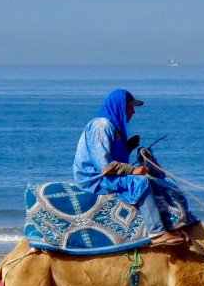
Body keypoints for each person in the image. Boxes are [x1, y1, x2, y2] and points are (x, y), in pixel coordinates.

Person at [73, 88, 192, 246]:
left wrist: (128, 147)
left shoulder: (115, 128)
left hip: (107, 176)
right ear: (120, 108)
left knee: (155, 181)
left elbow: (112, 157)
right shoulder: (101, 126)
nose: (133, 112)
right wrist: (133, 171)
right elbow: (104, 166)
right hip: (94, 179)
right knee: (141, 183)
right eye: (130, 107)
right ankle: (156, 233)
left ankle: (171, 224)